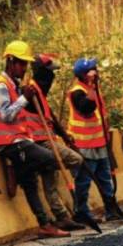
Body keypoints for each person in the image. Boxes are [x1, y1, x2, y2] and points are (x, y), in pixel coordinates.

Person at [0, 41, 69, 238]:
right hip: (10, 143)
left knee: (30, 184)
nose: (24, 68)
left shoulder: (14, 85)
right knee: (49, 158)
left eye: (26, 64)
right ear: (11, 61)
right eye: (21, 64)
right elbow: (6, 115)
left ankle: (45, 224)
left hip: (21, 140)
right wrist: (24, 99)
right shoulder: (1, 86)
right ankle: (16, 166)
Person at [24, 54, 85, 231]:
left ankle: (61, 216)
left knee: (50, 180)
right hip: (39, 141)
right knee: (76, 160)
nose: (53, 77)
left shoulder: (40, 93)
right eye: (50, 73)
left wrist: (65, 136)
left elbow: (51, 117)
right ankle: (65, 210)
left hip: (48, 139)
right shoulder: (30, 91)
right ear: (42, 72)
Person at [67, 57, 121, 224]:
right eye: (92, 70)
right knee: (84, 181)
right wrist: (91, 86)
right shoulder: (78, 91)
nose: (96, 73)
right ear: (84, 74)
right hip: (84, 145)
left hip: (99, 142)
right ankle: (81, 211)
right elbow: (87, 109)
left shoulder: (94, 90)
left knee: (105, 178)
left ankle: (111, 208)